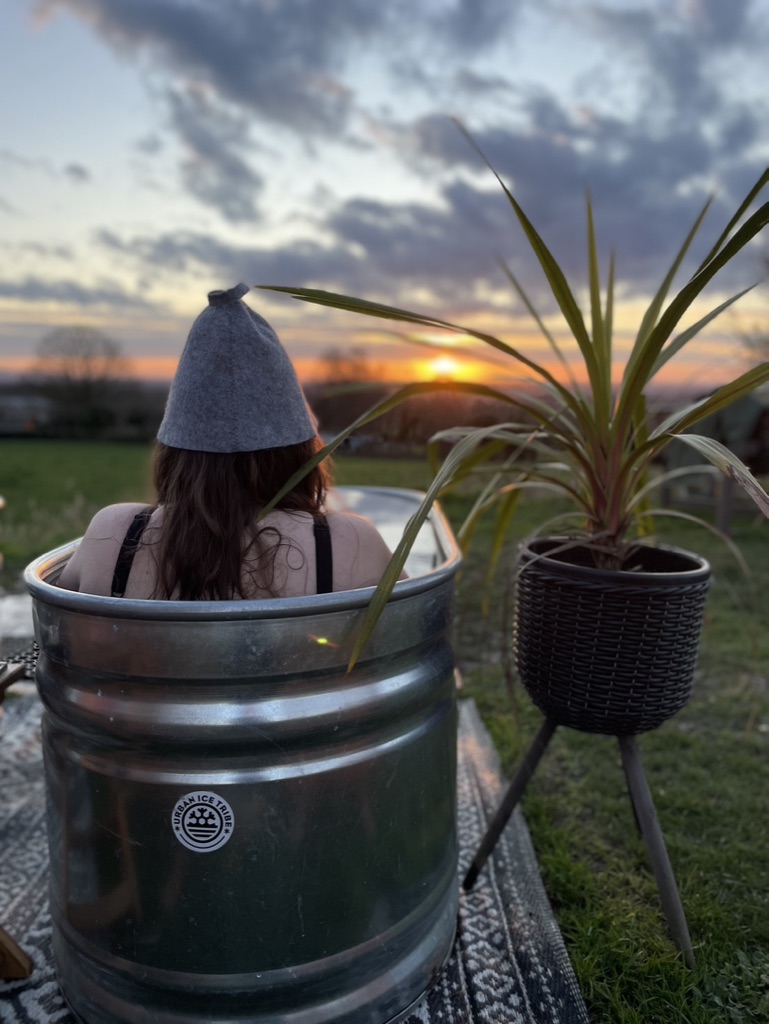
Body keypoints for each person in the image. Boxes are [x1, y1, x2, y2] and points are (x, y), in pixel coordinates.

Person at [58, 283, 395, 600]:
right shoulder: (352, 544)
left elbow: (61, 637)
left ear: (174, 452)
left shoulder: (114, 533)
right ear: (300, 452)